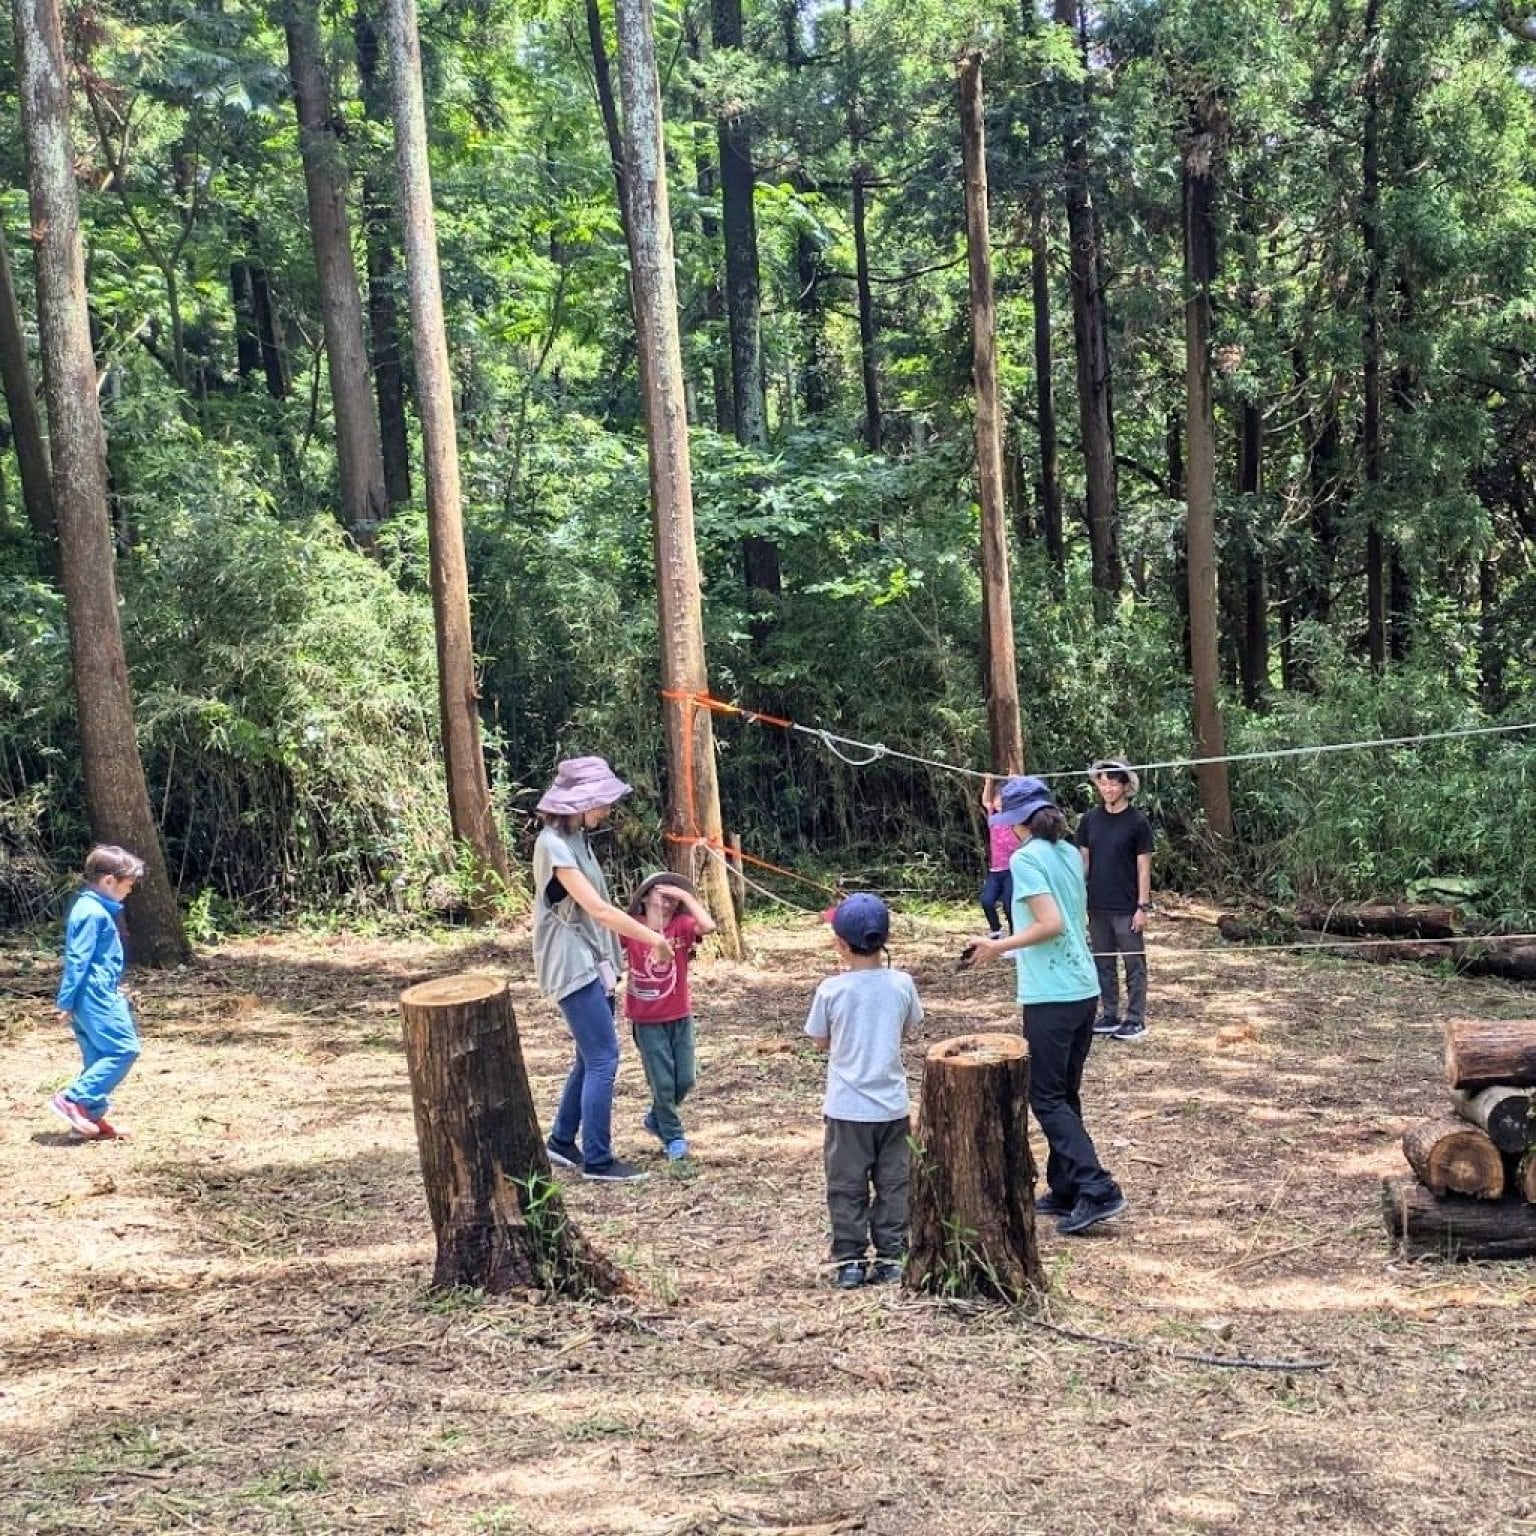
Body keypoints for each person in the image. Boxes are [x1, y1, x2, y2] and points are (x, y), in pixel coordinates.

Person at [966, 776, 1127, 1237]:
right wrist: (1002, 940)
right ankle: (1067, 1185)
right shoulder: (1067, 852)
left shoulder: (1027, 857)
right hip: (1082, 987)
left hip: (1053, 994)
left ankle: (1097, 1188)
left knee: (1046, 1096)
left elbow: (1050, 924)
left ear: (1016, 823)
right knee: (1064, 1092)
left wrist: (999, 948)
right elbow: (1052, 921)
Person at [532, 755, 673, 1183]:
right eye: (602, 802)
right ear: (580, 802)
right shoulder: (552, 844)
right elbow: (596, 908)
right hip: (570, 960)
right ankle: (598, 1159)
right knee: (603, 1058)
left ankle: (560, 1141)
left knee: (588, 1054)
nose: (607, 810)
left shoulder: (577, 839)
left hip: (593, 956)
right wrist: (654, 939)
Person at [804, 892, 924, 1289]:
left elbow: (820, 1040)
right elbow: (909, 1027)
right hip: (892, 1106)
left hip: (846, 1108)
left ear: (840, 944)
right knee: (895, 1184)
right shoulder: (901, 983)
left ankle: (850, 1259)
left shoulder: (831, 990)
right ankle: (892, 1256)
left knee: (846, 1185)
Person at [49, 845, 146, 1140]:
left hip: (93, 993)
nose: (129, 890)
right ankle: (71, 1098)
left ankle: (88, 1117)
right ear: (108, 881)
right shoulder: (92, 913)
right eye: (127, 884)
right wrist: (66, 1001)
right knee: (123, 1049)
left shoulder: (92, 909)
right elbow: (78, 959)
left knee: (98, 1056)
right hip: (96, 995)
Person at [622, 871, 717, 1162]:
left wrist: (686, 897)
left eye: (672, 899)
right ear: (646, 897)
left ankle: (656, 1118)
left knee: (686, 1077)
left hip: (679, 1014)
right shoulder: (632, 927)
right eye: (662, 896)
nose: (666, 904)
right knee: (662, 1083)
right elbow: (606, 939)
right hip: (646, 1019)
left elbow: (709, 926)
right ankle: (673, 1136)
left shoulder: (681, 926)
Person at [1077, 758, 1154, 1043]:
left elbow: (1143, 867)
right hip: (1097, 904)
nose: (1107, 788)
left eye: (1113, 783)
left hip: (1127, 906)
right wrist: (1076, 896)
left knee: (1134, 964)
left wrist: (1142, 906)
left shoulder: (1137, 822)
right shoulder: (1089, 820)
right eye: (1103, 782)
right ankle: (1109, 1014)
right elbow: (1083, 861)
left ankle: (1135, 1018)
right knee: (1103, 962)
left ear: (1125, 786)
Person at [978, 776, 1015, 940]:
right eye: (997, 798)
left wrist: (1015, 782)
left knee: (1009, 904)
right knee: (987, 901)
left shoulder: (1015, 816)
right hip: (995, 869)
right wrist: (988, 782)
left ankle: (1016, 935)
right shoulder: (992, 815)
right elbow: (985, 801)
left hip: (1011, 869)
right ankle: (996, 930)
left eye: (1003, 798)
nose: (999, 802)